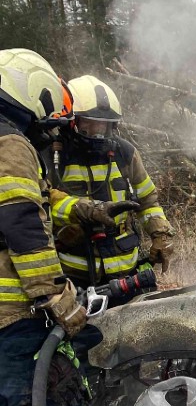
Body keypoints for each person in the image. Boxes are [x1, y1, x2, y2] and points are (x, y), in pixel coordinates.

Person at [0, 48, 96, 406]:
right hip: (15, 315)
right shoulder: (10, 140)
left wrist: (82, 207)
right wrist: (56, 297)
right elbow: (20, 221)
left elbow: (37, 197)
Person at [46, 75, 174, 293]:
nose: (97, 131)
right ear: (72, 121)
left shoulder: (125, 153)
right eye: (89, 123)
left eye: (103, 125)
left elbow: (148, 201)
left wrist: (160, 235)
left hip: (127, 270)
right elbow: (42, 204)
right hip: (75, 274)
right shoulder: (55, 155)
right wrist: (76, 214)